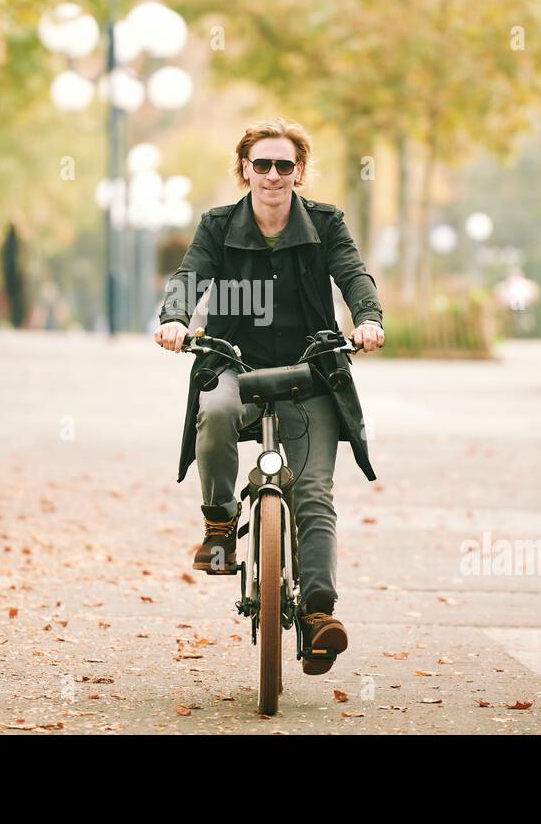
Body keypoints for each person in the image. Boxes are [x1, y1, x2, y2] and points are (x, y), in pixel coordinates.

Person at [153, 117, 384, 675]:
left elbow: (353, 276)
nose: (274, 175)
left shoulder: (327, 224)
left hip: (310, 371)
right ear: (244, 171)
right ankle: (218, 523)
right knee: (216, 410)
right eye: (263, 165)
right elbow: (190, 276)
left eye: (285, 165)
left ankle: (318, 613)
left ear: (299, 172)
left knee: (313, 494)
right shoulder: (216, 225)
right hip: (235, 363)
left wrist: (369, 318)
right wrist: (175, 319)